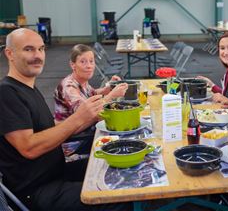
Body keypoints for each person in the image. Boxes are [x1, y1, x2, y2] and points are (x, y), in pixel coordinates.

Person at [0, 28, 130, 210]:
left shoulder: (29, 88)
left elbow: (51, 127)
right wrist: (78, 118)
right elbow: (28, 147)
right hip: (38, 189)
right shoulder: (7, 92)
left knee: (119, 168)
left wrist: (82, 120)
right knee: (117, 199)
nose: (37, 55)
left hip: (58, 171)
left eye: (41, 49)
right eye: (28, 49)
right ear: (10, 54)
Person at [54, 44, 127, 122]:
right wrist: (112, 95)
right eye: (83, 62)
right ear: (73, 65)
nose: (89, 66)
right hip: (76, 133)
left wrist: (107, 88)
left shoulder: (82, 81)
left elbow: (91, 93)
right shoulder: (68, 87)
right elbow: (87, 113)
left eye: (91, 61)